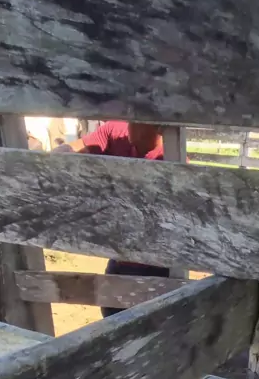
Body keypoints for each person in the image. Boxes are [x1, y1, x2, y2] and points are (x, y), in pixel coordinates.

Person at [54, 121, 172, 317]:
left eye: (138, 118)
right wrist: (49, 159)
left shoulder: (171, 157)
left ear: (159, 127)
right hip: (120, 256)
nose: (130, 123)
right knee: (111, 312)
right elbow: (77, 147)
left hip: (154, 263)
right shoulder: (115, 131)